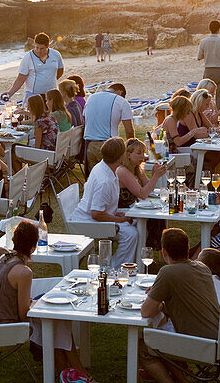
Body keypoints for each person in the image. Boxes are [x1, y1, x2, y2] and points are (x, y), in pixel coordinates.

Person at [0, 220, 90, 375]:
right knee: (56, 320)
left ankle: (69, 374)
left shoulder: (2, 259)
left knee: (56, 320)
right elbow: (24, 315)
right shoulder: (23, 272)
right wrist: (39, 304)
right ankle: (78, 374)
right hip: (3, 329)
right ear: (33, 246)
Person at [139, 227, 220, 383]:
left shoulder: (168, 272)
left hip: (202, 345)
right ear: (188, 248)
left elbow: (146, 311)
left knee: (145, 346)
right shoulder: (201, 267)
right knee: (164, 335)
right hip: (219, 336)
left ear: (164, 252)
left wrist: (157, 299)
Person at [70, 137, 139, 269]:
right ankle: (114, 269)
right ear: (120, 157)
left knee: (135, 222)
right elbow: (96, 213)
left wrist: (116, 214)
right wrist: (118, 219)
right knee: (131, 234)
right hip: (87, 221)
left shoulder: (104, 167)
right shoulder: (104, 181)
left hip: (91, 216)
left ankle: (122, 265)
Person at [82, 82, 135, 171]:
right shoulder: (121, 101)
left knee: (93, 178)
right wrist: (131, 149)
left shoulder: (91, 97)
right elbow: (129, 130)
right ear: (121, 92)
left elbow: (85, 118)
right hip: (108, 146)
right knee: (112, 178)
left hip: (89, 144)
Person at [0, 32, 64, 103]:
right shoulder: (28, 57)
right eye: (37, 47)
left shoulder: (56, 55)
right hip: (33, 95)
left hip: (52, 94)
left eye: (42, 48)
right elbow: (21, 77)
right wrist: (10, 93)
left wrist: (49, 80)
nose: (39, 51)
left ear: (48, 46)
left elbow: (60, 70)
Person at [116, 138, 167, 210]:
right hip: (124, 211)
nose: (143, 156)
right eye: (139, 153)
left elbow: (149, 190)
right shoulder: (123, 171)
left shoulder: (137, 168)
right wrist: (155, 177)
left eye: (143, 152)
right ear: (128, 155)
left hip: (135, 207)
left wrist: (154, 174)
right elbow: (142, 194)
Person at [197, 20, 220, 105]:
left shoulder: (203, 42)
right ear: (219, 29)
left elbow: (199, 57)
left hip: (208, 70)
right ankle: (219, 116)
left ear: (209, 29)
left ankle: (207, 112)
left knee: (206, 95)